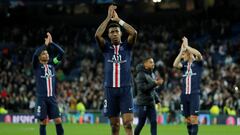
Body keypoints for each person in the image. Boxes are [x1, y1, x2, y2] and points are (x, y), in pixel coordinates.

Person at [95, 5, 137, 135]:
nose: (114, 34)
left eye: (116, 32)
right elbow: (97, 35)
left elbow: (134, 33)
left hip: (125, 89)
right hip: (110, 90)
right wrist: (108, 18)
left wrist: (119, 20)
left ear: (121, 34)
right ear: (108, 35)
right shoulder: (106, 48)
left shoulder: (127, 47)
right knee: (114, 126)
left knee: (128, 124)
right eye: (111, 32)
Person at [32, 32, 64, 135]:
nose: (46, 54)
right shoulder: (37, 66)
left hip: (52, 98)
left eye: (47, 53)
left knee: (58, 120)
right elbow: (35, 54)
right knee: (43, 121)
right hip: (42, 99)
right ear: (40, 58)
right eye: (44, 53)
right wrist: (45, 45)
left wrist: (52, 43)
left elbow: (62, 53)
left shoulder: (52, 64)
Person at [173, 37, 203, 135]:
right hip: (184, 96)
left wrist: (187, 46)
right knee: (188, 120)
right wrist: (182, 50)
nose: (182, 57)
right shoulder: (184, 66)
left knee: (194, 119)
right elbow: (175, 64)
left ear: (189, 53)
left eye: (183, 54)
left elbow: (198, 54)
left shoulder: (198, 63)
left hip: (194, 94)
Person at [134, 57, 163, 135]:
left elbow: (152, 90)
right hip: (143, 103)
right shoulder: (140, 75)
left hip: (151, 103)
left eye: (153, 62)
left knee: (154, 122)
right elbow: (142, 88)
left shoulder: (152, 74)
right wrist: (155, 83)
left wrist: (157, 100)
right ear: (145, 64)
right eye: (150, 62)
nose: (153, 64)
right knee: (141, 124)